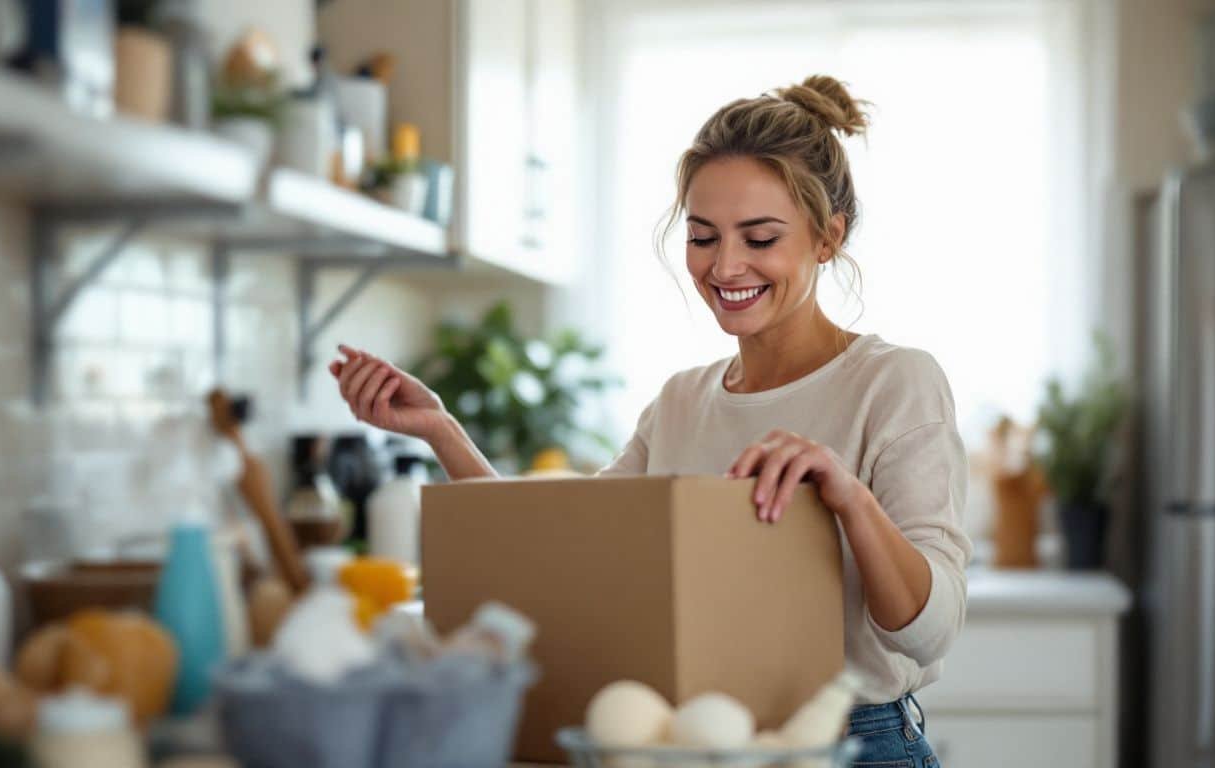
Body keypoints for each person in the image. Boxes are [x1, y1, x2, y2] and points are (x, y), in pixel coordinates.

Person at [328, 74, 969, 766]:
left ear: (827, 238)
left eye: (759, 238)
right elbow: (557, 553)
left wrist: (846, 495)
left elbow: (929, 633)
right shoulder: (681, 403)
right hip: (697, 743)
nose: (726, 266)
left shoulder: (893, 382)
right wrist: (441, 430)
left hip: (850, 743)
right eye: (702, 237)